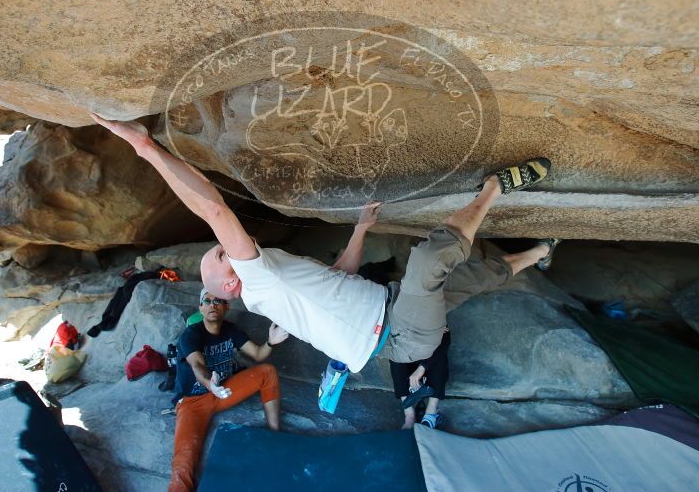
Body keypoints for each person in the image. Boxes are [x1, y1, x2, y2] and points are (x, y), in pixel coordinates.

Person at [91, 113, 556, 373]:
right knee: (430, 258)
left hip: (390, 307)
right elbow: (214, 209)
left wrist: (359, 228)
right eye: (220, 254)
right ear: (231, 282)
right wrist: (146, 147)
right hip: (399, 337)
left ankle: (538, 253)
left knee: (471, 277)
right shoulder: (257, 284)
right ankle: (494, 188)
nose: (223, 246)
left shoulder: (274, 275)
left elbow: (340, 279)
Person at [390, 238, 561, 429]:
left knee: (437, 350)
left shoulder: (433, 301)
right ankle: (409, 413)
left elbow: (442, 338)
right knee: (396, 358)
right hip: (410, 325)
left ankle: (431, 411)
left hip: (427, 326)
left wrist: (421, 368)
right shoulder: (404, 304)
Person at [169, 288, 289, 492]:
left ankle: (274, 434)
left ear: (226, 307)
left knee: (267, 372)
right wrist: (209, 384)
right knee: (184, 462)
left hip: (224, 391)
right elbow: (197, 365)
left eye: (217, 301)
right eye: (206, 301)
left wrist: (270, 342)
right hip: (194, 401)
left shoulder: (231, 330)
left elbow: (259, 354)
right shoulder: (191, 334)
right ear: (201, 308)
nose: (212, 305)